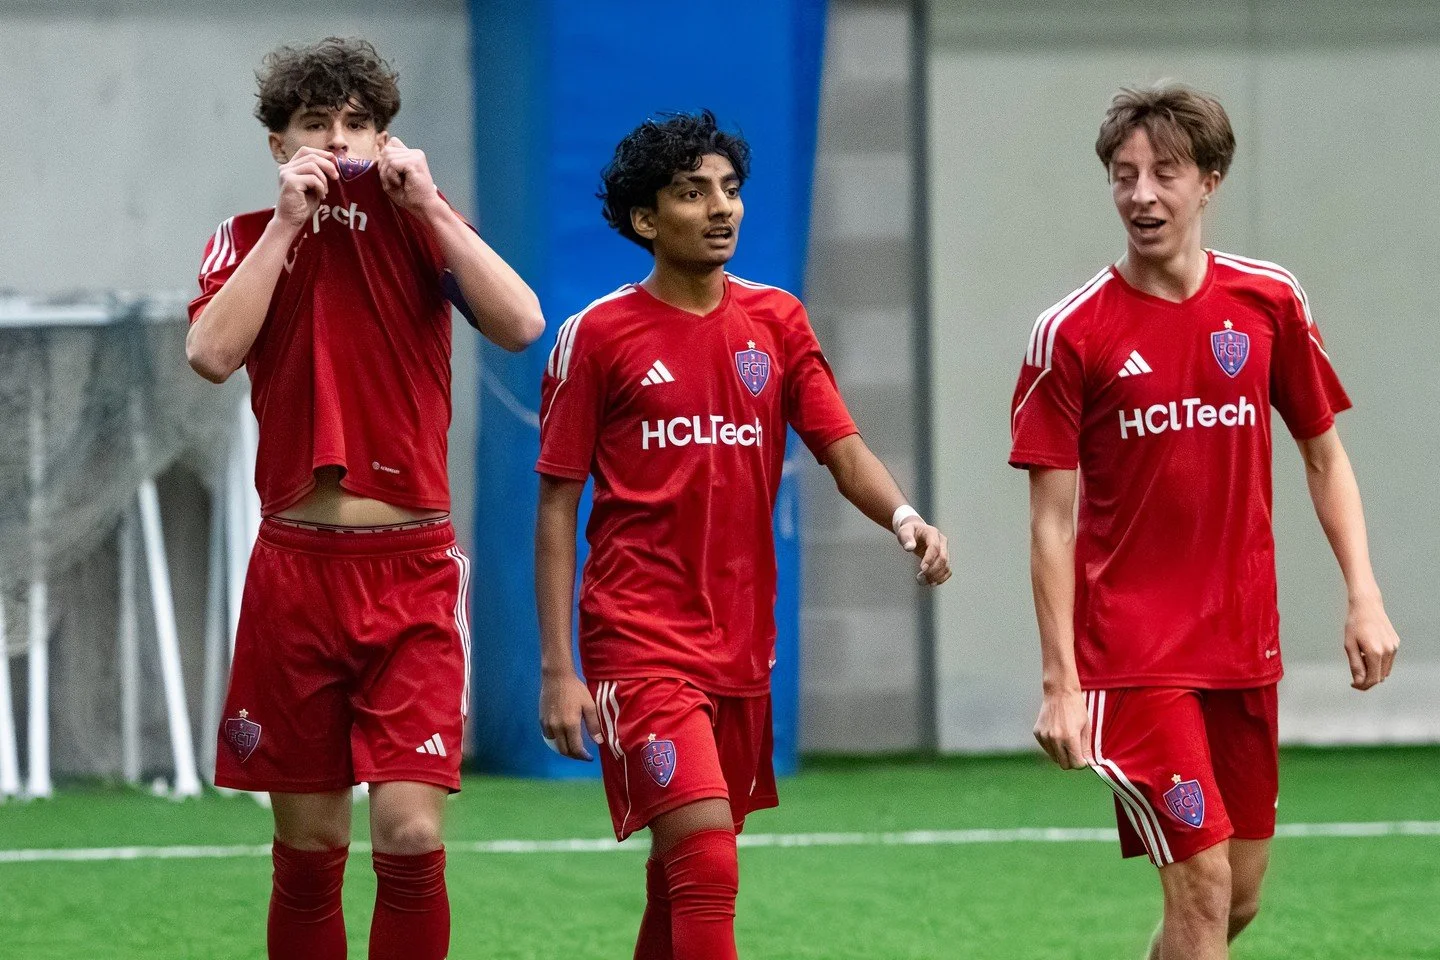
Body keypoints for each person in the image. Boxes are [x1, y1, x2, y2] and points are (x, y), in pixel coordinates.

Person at [533, 109, 951, 960]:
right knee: (708, 861)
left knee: (680, 869)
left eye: (730, 189)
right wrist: (557, 669)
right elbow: (555, 508)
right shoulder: (598, 338)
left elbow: (841, 447)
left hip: (739, 642)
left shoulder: (778, 322)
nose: (721, 208)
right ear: (646, 220)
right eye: (693, 193)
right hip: (638, 640)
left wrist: (904, 517)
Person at [1010, 84, 1400, 960]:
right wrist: (1060, 682)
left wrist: (1363, 595)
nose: (1141, 194)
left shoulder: (1269, 302)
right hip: (1135, 657)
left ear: (1210, 180)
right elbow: (1050, 523)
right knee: (1202, 885)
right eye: (1123, 175)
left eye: (1164, 173)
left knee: (1238, 898)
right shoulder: (1069, 333)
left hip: (1242, 643)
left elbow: (1324, 454)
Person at [185, 37, 543, 960]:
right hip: (296, 573)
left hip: (411, 571)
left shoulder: (422, 220)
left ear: (386, 137)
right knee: (309, 849)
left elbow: (522, 323)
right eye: (316, 125)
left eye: (357, 125)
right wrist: (284, 226)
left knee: (413, 837)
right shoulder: (243, 234)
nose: (338, 142)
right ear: (279, 145)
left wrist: (427, 202)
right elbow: (212, 354)